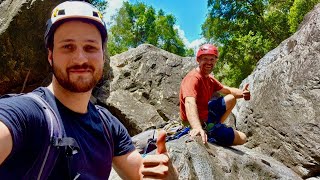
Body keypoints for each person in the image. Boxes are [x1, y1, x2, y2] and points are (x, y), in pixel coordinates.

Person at [0, 1, 177, 179]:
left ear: (102, 55)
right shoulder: (25, 114)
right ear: (50, 56)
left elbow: (142, 175)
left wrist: (168, 174)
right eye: (67, 46)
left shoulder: (108, 125)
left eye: (90, 47)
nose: (80, 58)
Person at [179, 44, 250, 146]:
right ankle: (209, 131)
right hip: (196, 122)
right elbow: (190, 102)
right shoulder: (193, 78)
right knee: (242, 138)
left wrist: (243, 93)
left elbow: (227, 90)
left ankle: (216, 126)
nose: (209, 62)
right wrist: (197, 128)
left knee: (231, 98)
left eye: (212, 59)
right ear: (198, 60)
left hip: (206, 114)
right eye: (205, 59)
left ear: (216, 61)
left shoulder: (209, 79)